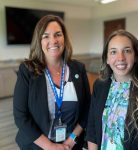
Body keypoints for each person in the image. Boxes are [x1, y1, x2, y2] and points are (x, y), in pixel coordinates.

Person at [13, 15, 91, 150]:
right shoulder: (28, 71)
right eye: (46, 36)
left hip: (71, 145)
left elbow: (87, 109)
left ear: (64, 38)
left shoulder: (78, 69)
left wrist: (71, 140)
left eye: (58, 35)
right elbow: (20, 116)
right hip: (37, 146)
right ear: (39, 41)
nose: (53, 41)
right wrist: (49, 146)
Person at [86, 29, 138, 150]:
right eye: (113, 52)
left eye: (127, 51)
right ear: (107, 59)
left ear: (135, 56)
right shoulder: (100, 86)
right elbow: (92, 129)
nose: (120, 58)